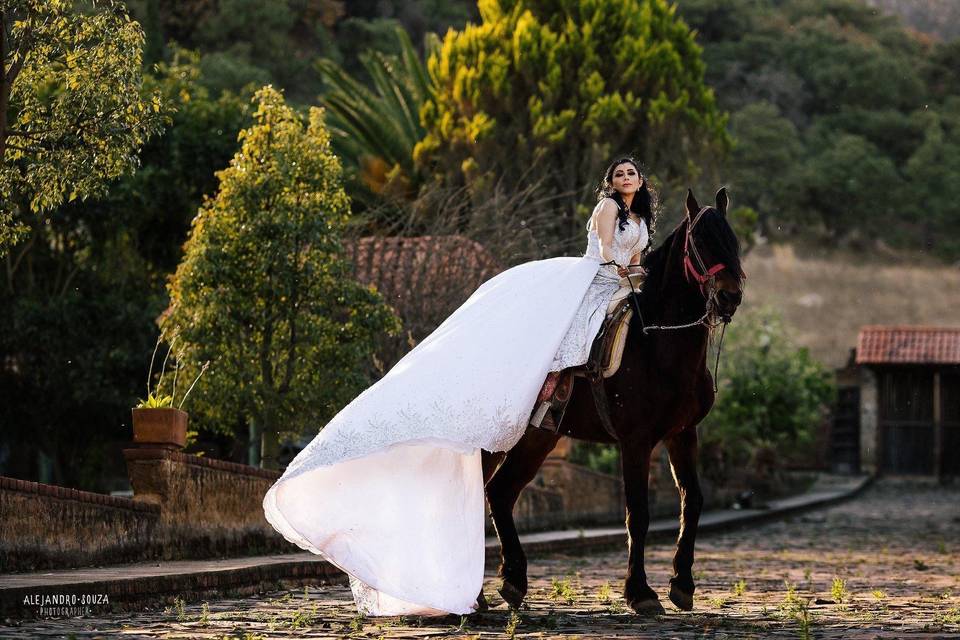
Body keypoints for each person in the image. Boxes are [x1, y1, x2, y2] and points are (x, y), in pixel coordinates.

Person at [262, 157, 656, 617]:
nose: (625, 180)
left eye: (632, 174)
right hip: (591, 283)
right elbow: (608, 253)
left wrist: (640, 278)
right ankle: (549, 395)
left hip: (624, 288)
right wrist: (628, 274)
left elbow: (636, 259)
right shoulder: (609, 207)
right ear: (610, 182)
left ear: (641, 181)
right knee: (565, 347)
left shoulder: (642, 215)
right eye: (619, 174)